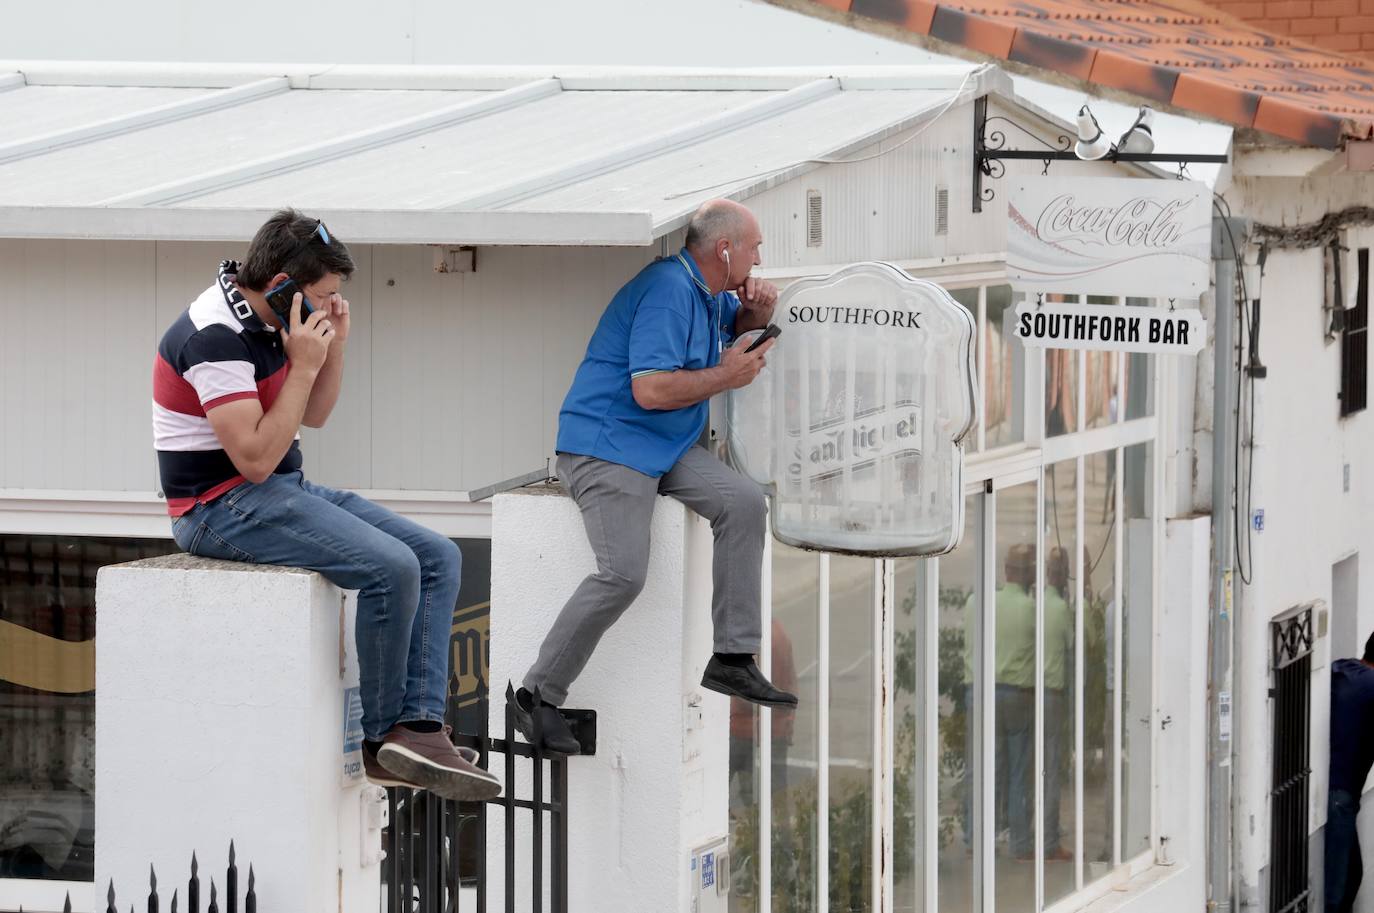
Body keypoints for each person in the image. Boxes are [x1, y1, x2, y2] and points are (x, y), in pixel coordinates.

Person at [152, 209, 498, 801]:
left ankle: (416, 728)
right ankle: (382, 738)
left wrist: (331, 349)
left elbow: (312, 415)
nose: (329, 304)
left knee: (438, 556)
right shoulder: (213, 336)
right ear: (282, 283)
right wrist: (305, 364)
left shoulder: (267, 318)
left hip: (277, 489)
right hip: (216, 507)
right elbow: (256, 458)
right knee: (391, 568)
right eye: (322, 294)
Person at [510, 199, 797, 753]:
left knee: (743, 503)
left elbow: (727, 341)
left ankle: (733, 658)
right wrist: (728, 376)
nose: (760, 257)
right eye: (755, 246)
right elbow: (650, 389)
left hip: (662, 447)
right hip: (609, 446)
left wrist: (754, 319)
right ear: (725, 249)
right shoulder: (668, 289)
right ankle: (535, 697)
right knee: (623, 574)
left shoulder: (705, 291)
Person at [1326, 630, 1374, 913]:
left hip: (1336, 789)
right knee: (1339, 886)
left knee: (1350, 874)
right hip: (1340, 794)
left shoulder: (1345, 668)